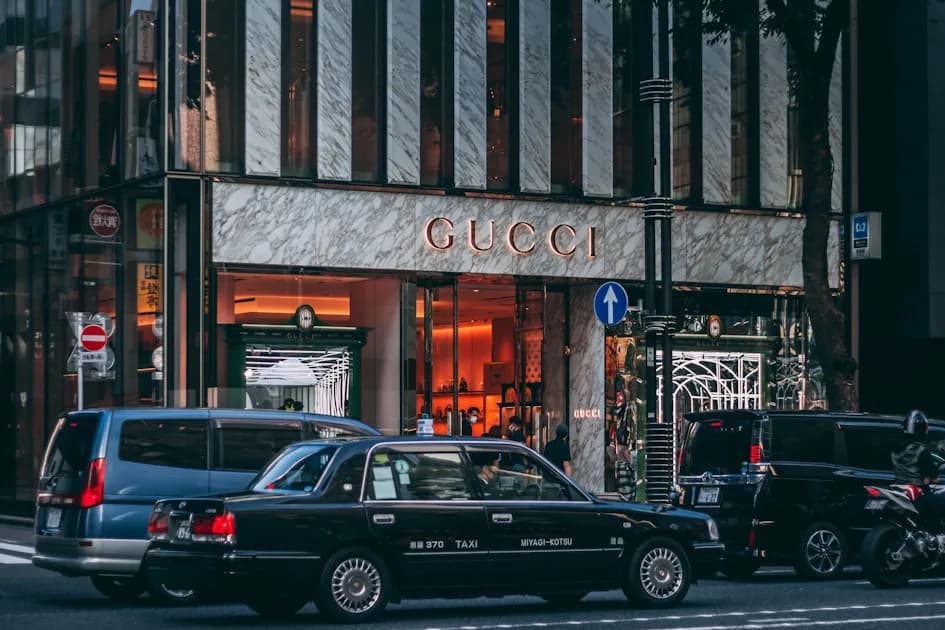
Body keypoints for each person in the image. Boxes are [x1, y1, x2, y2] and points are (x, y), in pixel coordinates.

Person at [891, 409, 945, 523]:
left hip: (897, 489)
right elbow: (930, 480)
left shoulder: (895, 450)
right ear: (923, 430)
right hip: (916, 494)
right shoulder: (921, 451)